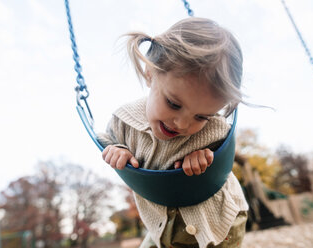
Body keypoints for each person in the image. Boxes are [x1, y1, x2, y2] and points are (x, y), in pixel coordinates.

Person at [97, 17, 249, 248]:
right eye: (173, 104)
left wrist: (206, 157)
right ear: (150, 73)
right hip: (162, 228)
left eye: (201, 116)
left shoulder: (215, 129)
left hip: (217, 225)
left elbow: (222, 156)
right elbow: (107, 139)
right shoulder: (124, 120)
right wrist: (117, 150)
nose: (182, 123)